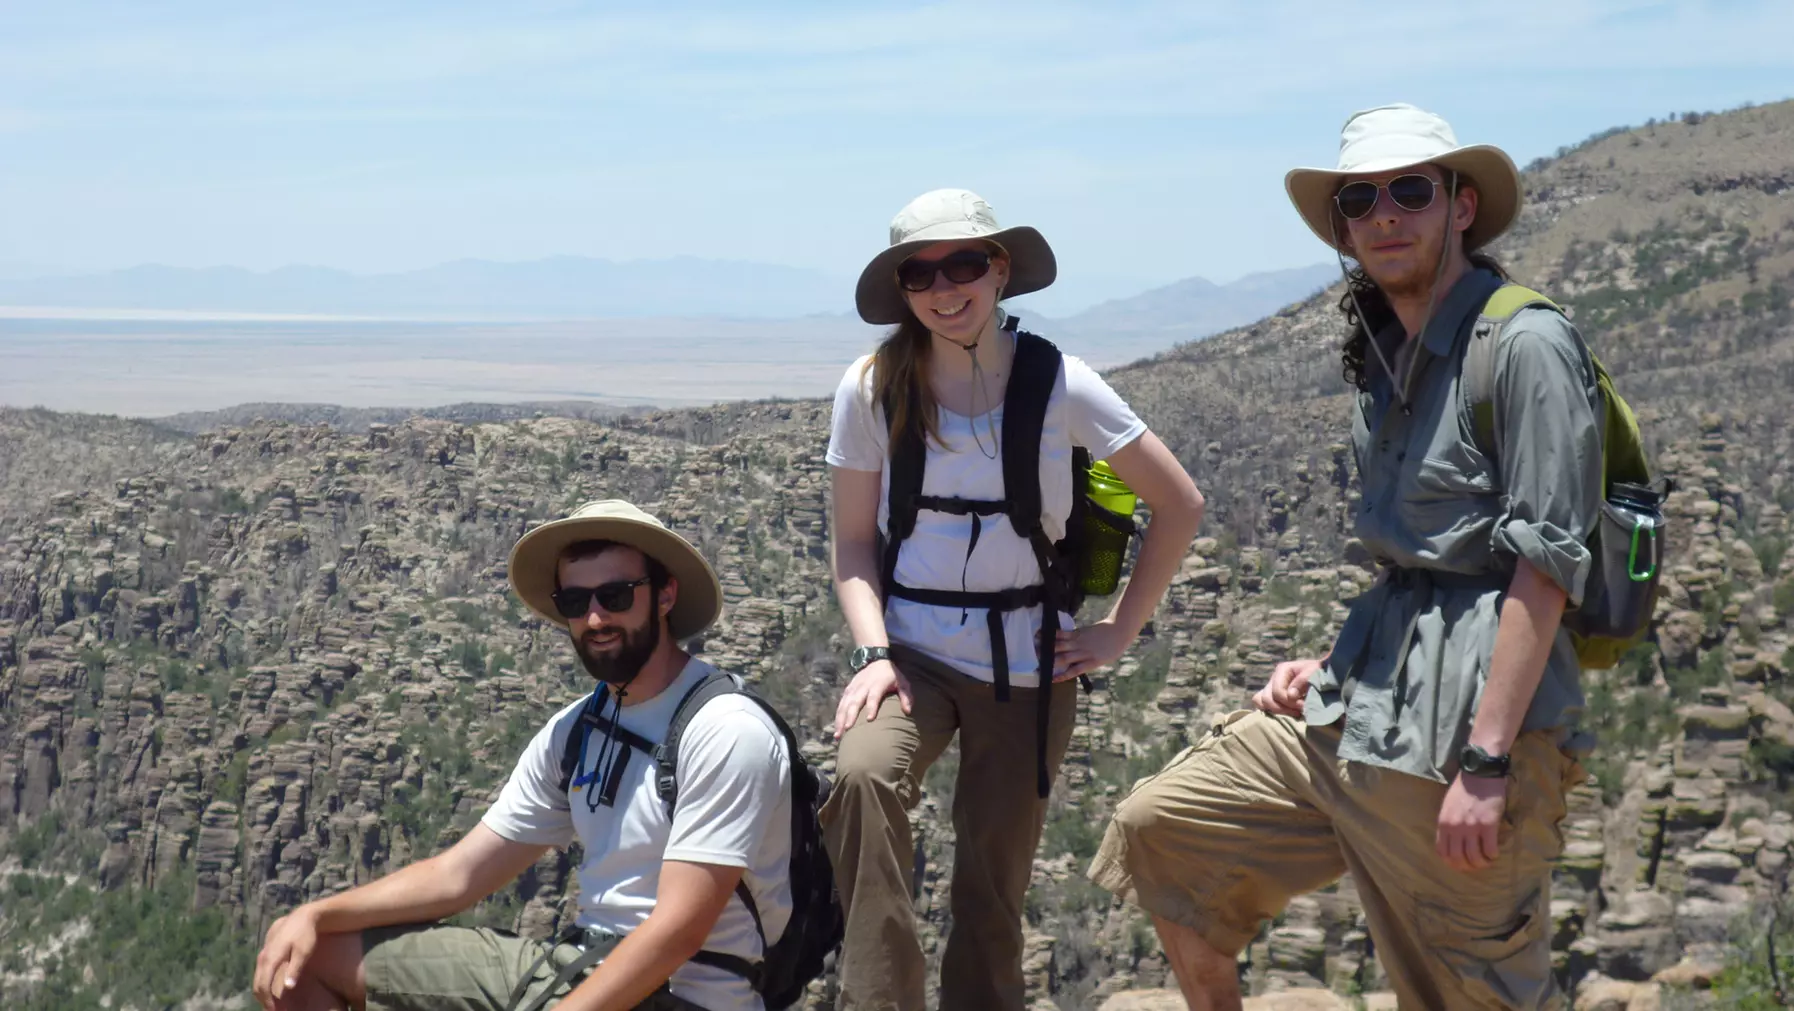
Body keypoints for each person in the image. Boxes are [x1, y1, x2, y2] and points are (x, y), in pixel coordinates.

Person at [1088, 103, 1602, 1010]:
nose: (1385, 214)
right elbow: (1419, 566)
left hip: (1470, 734)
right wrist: (1331, 664)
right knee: (1162, 828)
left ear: (1462, 205)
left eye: (1411, 190)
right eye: (1361, 200)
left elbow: (1545, 566)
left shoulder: (1524, 342)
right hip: (1362, 704)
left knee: (1464, 987)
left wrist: (1485, 764)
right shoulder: (1385, 351)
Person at [823, 188, 1205, 1011]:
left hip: (1026, 661)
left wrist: (1116, 635)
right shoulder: (871, 387)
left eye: (963, 264)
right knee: (859, 778)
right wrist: (872, 651)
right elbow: (855, 543)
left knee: (991, 881)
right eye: (919, 272)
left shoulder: (1062, 384)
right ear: (901, 289)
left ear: (999, 270)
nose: (943, 287)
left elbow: (1180, 503)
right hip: (911, 653)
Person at [252, 499, 794, 1011]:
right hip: (575, 967)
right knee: (305, 959)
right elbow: (458, 877)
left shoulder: (726, 731)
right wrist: (315, 915)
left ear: (665, 595)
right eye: (576, 603)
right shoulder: (576, 730)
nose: (597, 619)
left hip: (684, 994)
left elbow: (677, 932)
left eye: (617, 595)